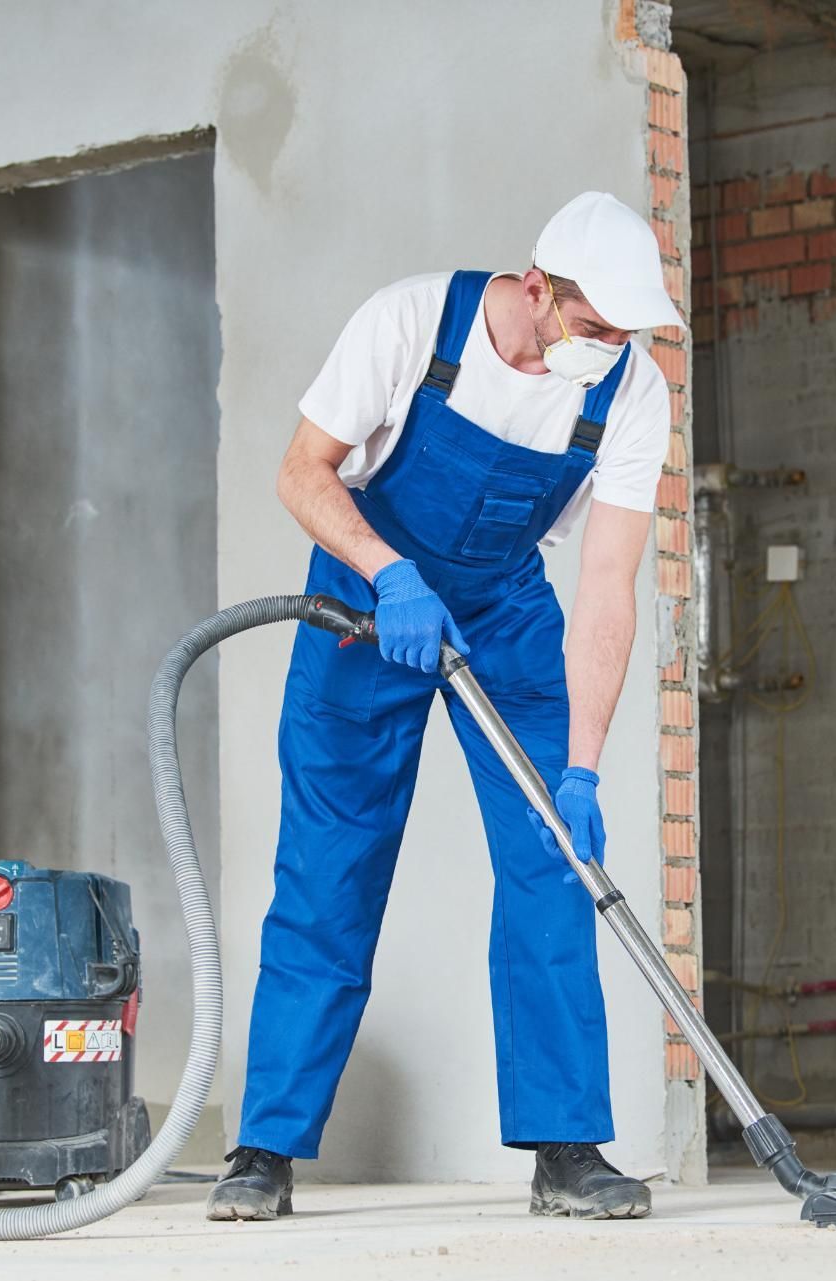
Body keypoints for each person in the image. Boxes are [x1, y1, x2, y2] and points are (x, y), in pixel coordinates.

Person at [207, 192, 678, 1222]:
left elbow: (607, 587)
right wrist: (387, 569)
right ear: (537, 289)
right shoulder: (412, 325)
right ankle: (264, 1149)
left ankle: (567, 1149)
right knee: (329, 868)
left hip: (506, 609)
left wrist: (586, 765)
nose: (608, 352)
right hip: (365, 599)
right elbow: (303, 471)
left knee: (557, 854)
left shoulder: (632, 394)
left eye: (625, 335)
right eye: (594, 329)